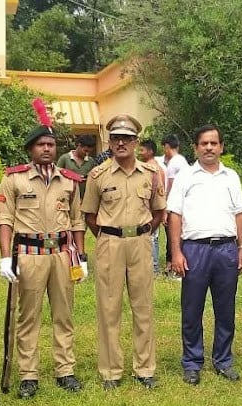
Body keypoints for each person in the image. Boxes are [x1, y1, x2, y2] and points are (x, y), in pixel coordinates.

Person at [0, 98, 87, 398]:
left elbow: (76, 221)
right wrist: (6, 256)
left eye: (51, 144)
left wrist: (81, 257)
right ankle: (29, 375)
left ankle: (65, 370)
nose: (47, 149)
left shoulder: (69, 182)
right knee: (29, 316)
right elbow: (5, 219)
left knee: (64, 315)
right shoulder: (14, 179)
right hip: (30, 254)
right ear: (30, 149)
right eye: (40, 145)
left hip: (61, 254)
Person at [81, 114, 166, 390]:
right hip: (110, 243)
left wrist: (142, 234)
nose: (121, 143)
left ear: (136, 142)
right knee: (109, 308)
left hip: (141, 243)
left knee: (143, 306)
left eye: (127, 138)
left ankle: (145, 368)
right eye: (116, 138)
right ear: (109, 141)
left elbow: (158, 211)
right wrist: (110, 236)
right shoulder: (98, 175)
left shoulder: (151, 175)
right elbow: (90, 215)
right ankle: (111, 372)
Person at [168, 125, 242, 385]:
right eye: (204, 143)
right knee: (192, 309)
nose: (209, 148)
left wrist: (241, 248)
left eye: (214, 143)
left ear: (221, 147)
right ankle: (192, 362)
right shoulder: (185, 176)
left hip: (226, 249)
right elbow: (175, 215)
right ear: (196, 148)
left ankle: (223, 360)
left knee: (225, 308)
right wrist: (176, 252)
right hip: (195, 250)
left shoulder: (231, 177)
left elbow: (239, 213)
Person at [162, 134, 190, 278]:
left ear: (167, 147)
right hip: (185, 204)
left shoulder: (173, 163)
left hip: (177, 205)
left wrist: (167, 209)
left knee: (173, 236)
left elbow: (171, 187)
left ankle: (175, 266)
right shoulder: (182, 161)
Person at [140, 139, 166, 274]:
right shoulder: (152, 167)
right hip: (150, 209)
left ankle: (154, 268)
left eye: (142, 150)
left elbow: (160, 192)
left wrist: (162, 211)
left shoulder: (153, 169)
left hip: (152, 209)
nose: (140, 152)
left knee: (152, 238)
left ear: (150, 152)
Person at [57, 134, 96, 199]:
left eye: (89, 152)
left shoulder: (91, 161)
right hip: (67, 196)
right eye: (85, 151)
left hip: (85, 198)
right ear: (79, 145)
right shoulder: (64, 158)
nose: (87, 154)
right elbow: (57, 176)